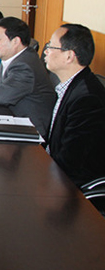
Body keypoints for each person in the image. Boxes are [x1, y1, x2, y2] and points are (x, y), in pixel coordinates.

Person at [0, 17, 55, 136]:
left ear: (15, 41)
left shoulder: (25, 65)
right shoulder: (12, 58)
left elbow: (3, 96)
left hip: (29, 130)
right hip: (13, 118)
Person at [43, 24, 105, 187]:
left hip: (72, 187)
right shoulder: (70, 86)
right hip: (55, 172)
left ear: (69, 56)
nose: (46, 51)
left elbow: (70, 162)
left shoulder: (87, 99)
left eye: (51, 46)